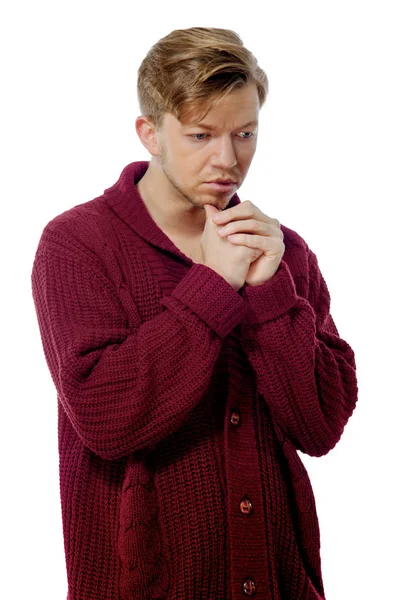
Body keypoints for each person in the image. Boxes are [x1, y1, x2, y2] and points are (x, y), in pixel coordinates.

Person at [31, 26, 358, 600]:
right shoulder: (78, 244)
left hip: (279, 579)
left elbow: (321, 425)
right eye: (201, 134)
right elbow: (106, 419)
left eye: (245, 133)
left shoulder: (283, 252)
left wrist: (270, 292)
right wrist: (211, 284)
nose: (227, 159)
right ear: (150, 133)